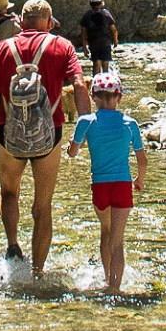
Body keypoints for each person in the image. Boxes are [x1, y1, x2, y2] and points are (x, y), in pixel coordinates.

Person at [0, 0, 91, 276]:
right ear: (50, 22)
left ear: (20, 22)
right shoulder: (62, 46)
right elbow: (78, 84)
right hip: (49, 137)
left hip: (9, 135)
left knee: (9, 192)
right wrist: (85, 128)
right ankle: (38, 272)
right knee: (43, 204)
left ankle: (13, 245)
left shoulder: (1, 49)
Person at [67, 71, 146, 294]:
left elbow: (73, 152)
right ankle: (115, 287)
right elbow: (142, 160)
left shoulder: (86, 122)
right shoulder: (130, 123)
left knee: (106, 230)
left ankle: (105, 279)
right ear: (119, 97)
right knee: (117, 241)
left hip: (100, 186)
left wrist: (70, 148)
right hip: (122, 185)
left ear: (94, 98)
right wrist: (140, 180)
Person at [79, 0, 118, 75]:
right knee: (105, 62)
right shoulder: (106, 13)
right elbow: (114, 29)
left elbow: (83, 33)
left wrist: (84, 48)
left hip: (93, 42)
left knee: (96, 62)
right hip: (105, 42)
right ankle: (106, 82)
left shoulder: (87, 15)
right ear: (101, 4)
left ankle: (96, 82)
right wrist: (115, 40)